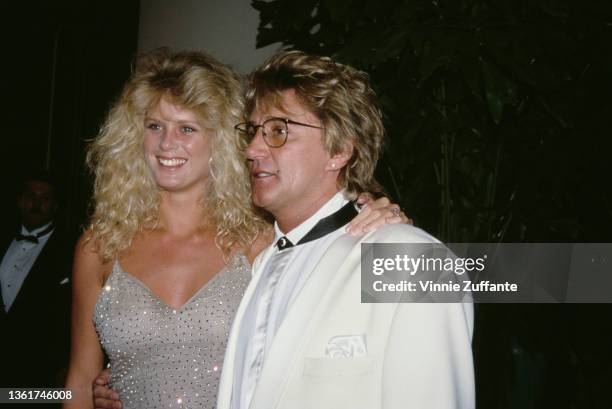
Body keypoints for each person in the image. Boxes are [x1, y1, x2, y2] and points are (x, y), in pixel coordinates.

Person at [64, 48, 407, 409]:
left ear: (222, 141)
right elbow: (78, 382)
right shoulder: (100, 246)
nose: (167, 143)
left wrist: (387, 226)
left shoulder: (260, 241)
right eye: (154, 126)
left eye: (187, 128)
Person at [214, 51, 475, 409]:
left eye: (278, 130)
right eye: (254, 131)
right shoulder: (261, 264)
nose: (253, 149)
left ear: (338, 150)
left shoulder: (409, 260)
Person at [0, 171, 73, 391]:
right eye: (31, 196)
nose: (36, 203)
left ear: (55, 206)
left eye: (45, 198)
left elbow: (73, 312)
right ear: (20, 202)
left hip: (39, 367)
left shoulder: (70, 250)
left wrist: (66, 363)